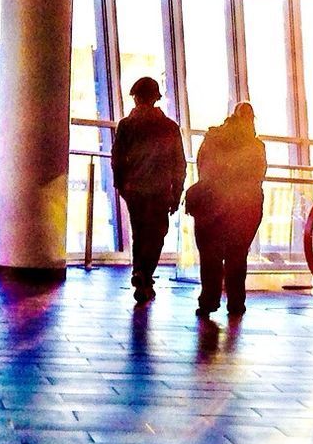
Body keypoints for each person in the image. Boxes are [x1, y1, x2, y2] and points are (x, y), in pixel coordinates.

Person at [112, 77, 187, 304]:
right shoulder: (169, 127)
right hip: (160, 190)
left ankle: (140, 272)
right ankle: (145, 274)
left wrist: (121, 185)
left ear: (136, 98)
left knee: (139, 233)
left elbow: (117, 159)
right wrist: (176, 193)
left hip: (134, 189)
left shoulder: (126, 126)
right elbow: (179, 164)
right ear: (156, 98)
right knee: (156, 234)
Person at [189, 102, 267, 318]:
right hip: (244, 206)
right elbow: (258, 175)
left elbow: (202, 166)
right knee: (237, 255)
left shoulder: (212, 139)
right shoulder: (255, 146)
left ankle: (208, 300)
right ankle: (235, 302)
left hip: (210, 202)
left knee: (210, 255)